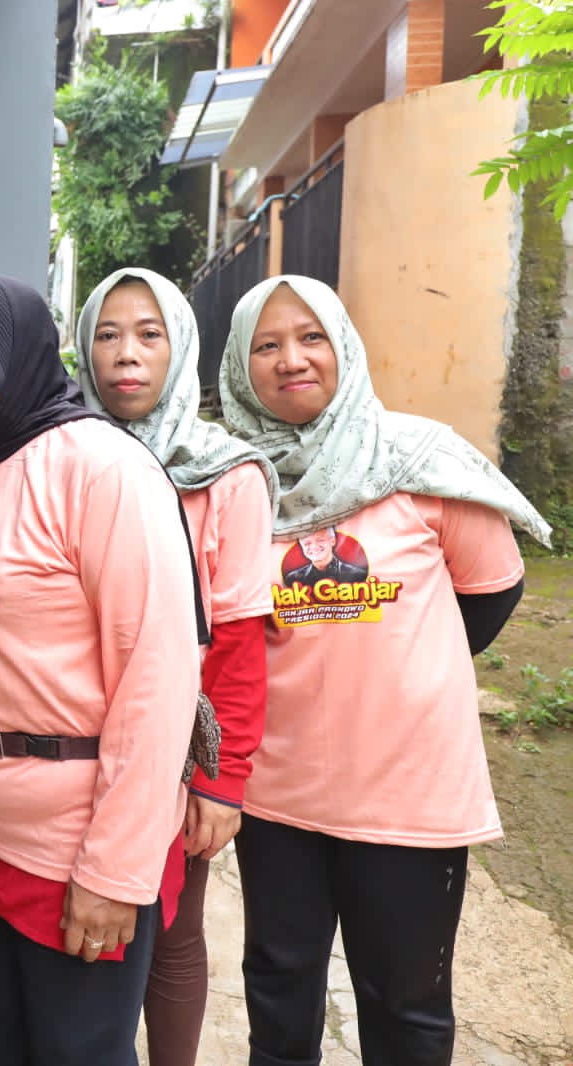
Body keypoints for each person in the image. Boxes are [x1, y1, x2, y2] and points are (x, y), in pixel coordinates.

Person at [220, 274, 551, 1066]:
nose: (290, 359)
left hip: (408, 795)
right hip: (275, 792)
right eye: (265, 345)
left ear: (343, 346)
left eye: (310, 337)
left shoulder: (420, 459)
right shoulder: (232, 478)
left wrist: (401, 673)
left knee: (404, 1005)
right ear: (239, 366)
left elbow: (491, 593)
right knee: (277, 985)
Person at [0, 275, 201, 1066]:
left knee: (77, 1054)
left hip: (77, 848)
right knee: (4, 1041)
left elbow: (158, 680)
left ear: (19, 354)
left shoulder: (100, 470)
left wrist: (114, 872)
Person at [76, 268, 277, 1066]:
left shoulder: (224, 473)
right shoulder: (65, 453)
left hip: (173, 741)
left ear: (179, 347)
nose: (127, 354)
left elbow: (235, 642)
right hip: (74, 728)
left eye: (149, 334)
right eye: (107, 333)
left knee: (170, 923)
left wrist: (219, 781)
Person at [280, 525, 368, 586]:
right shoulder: (293, 578)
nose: (314, 547)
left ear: (332, 541)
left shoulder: (357, 575)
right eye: (307, 543)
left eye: (320, 540)